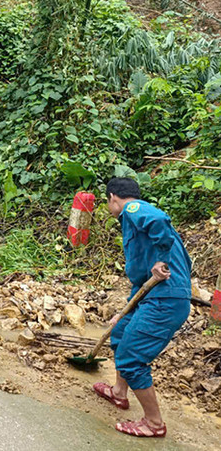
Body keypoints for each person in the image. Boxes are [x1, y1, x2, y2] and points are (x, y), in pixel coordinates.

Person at [93, 177, 191, 438]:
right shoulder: (134, 223)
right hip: (149, 295)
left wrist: (161, 259)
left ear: (113, 197)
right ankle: (118, 393)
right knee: (120, 333)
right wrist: (126, 309)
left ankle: (154, 423)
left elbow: (160, 221)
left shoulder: (134, 210)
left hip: (165, 300)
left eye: (107, 202)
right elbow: (143, 277)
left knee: (131, 357)